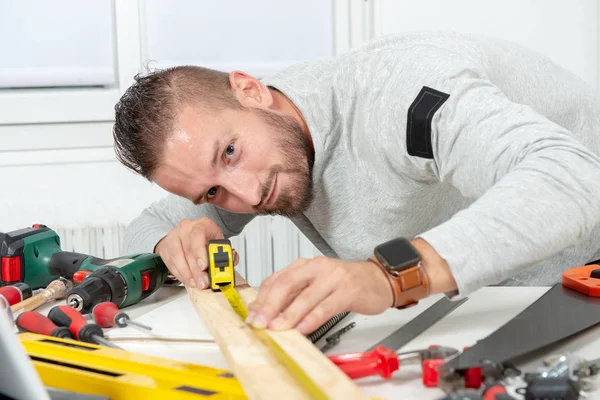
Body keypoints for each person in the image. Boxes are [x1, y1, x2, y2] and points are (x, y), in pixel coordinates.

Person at [113, 30, 600, 335]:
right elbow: (152, 222)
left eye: (231, 153)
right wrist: (172, 242)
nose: (245, 196)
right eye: (210, 194)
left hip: (582, 268)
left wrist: (386, 275)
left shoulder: (400, 95)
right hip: (490, 299)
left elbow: (572, 178)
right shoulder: (250, 153)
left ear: (251, 90)